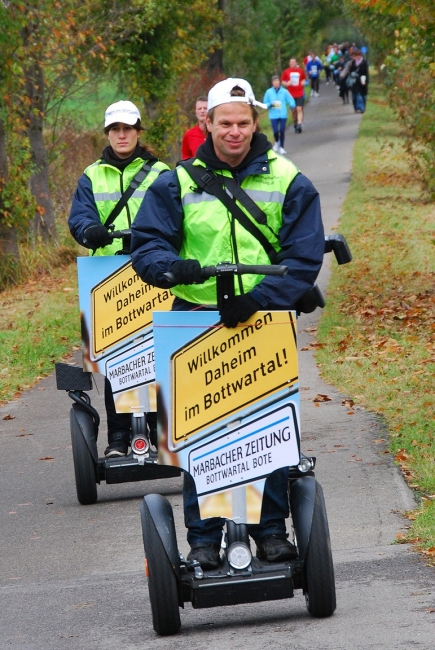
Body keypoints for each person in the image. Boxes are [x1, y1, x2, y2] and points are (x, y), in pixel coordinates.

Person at [130, 78, 324, 570]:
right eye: (224, 123)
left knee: (268, 428)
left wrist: (259, 298)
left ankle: (272, 530)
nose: (234, 132)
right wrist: (171, 268)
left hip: (262, 319)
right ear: (207, 123)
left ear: (255, 122)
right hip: (194, 319)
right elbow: (148, 243)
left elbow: (302, 257)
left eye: (242, 123)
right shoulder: (177, 181)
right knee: (202, 432)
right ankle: (202, 538)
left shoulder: (287, 178)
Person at [68, 100, 170, 458]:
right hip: (108, 279)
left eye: (128, 129)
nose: (122, 135)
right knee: (118, 361)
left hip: (154, 273)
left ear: (138, 132)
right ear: (108, 134)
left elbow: (178, 217)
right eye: (115, 130)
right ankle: (118, 439)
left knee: (159, 356)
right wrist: (90, 230)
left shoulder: (161, 172)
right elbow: (79, 217)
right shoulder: (92, 175)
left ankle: (162, 433)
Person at [263, 75, 296, 154]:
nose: (276, 83)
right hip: (273, 115)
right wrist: (270, 104)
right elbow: (265, 103)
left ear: (280, 82)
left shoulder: (284, 91)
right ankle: (277, 142)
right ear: (272, 83)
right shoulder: (269, 92)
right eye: (274, 81)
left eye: (277, 81)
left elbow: (291, 100)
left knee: (282, 130)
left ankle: (281, 147)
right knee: (275, 131)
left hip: (282, 114)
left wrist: (292, 105)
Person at [281, 57, 306, 133]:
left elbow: (304, 78)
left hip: (299, 93)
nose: (291, 63)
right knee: (294, 111)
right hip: (290, 94)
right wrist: (286, 83)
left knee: (299, 109)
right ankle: (295, 122)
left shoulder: (300, 71)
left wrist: (303, 82)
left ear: (296, 63)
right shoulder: (286, 72)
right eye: (290, 62)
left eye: (293, 62)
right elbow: (282, 81)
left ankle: (299, 124)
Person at [349, 49, 369, 113]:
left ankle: (363, 107)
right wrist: (353, 74)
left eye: (359, 55)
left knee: (364, 97)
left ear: (361, 55)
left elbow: (366, 73)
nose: (358, 57)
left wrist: (366, 81)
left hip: (363, 82)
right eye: (356, 55)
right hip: (356, 82)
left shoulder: (364, 62)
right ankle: (361, 108)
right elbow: (350, 71)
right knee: (358, 96)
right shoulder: (353, 63)